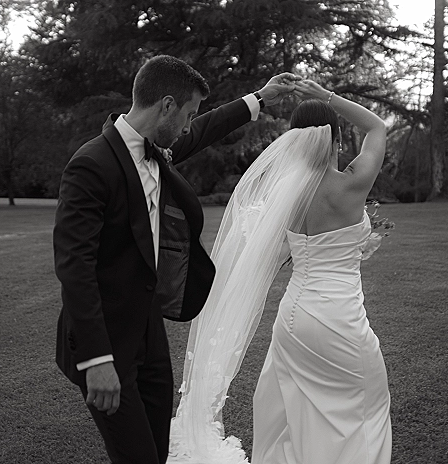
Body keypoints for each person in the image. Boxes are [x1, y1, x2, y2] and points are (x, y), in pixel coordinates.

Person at [53, 54, 298, 464]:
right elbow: (74, 268)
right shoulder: (91, 166)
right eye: (187, 113)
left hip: (149, 334)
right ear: (166, 105)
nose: (188, 124)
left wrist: (260, 97)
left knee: (158, 449)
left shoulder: (155, 148)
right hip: (106, 343)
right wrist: (97, 360)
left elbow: (203, 131)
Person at [169, 79, 390, 464]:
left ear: (293, 142)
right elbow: (377, 127)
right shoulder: (353, 185)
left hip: (294, 319)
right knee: (365, 402)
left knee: (290, 413)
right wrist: (325, 95)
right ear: (335, 139)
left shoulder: (285, 198)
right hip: (341, 318)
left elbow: (273, 252)